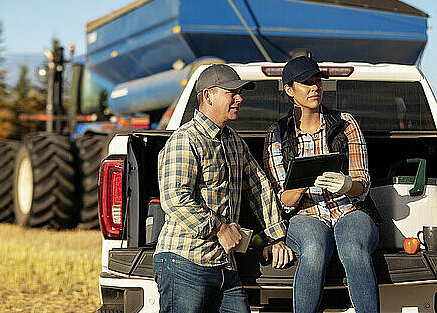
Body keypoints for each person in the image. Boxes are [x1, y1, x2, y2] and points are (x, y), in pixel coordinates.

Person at [154, 64, 294, 313]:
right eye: (232, 92)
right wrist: (219, 228)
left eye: (240, 92)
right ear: (207, 96)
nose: (239, 98)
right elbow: (175, 198)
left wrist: (275, 238)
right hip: (185, 262)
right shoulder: (185, 140)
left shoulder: (234, 142)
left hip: (224, 266)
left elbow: (259, 187)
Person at [264, 56, 381, 313]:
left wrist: (347, 185)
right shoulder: (277, 134)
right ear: (289, 89)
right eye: (306, 83)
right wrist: (304, 179)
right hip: (306, 214)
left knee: (353, 246)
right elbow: (283, 200)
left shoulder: (346, 123)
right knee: (315, 249)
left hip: (350, 210)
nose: (315, 87)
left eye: (317, 81)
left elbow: (362, 185)